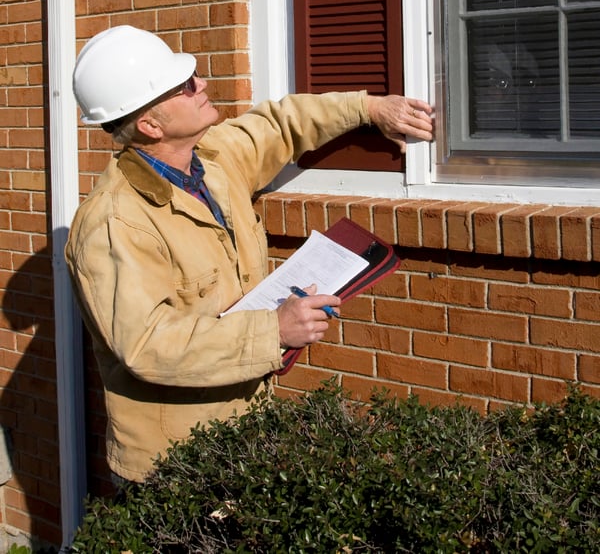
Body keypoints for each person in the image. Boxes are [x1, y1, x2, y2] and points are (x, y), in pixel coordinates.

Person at [65, 25, 434, 483]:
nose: (201, 84)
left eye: (193, 75)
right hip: (175, 467)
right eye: (184, 85)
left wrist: (370, 108)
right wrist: (272, 329)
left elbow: (280, 125)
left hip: (241, 437)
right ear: (150, 125)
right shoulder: (114, 222)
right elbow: (146, 346)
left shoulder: (214, 162)